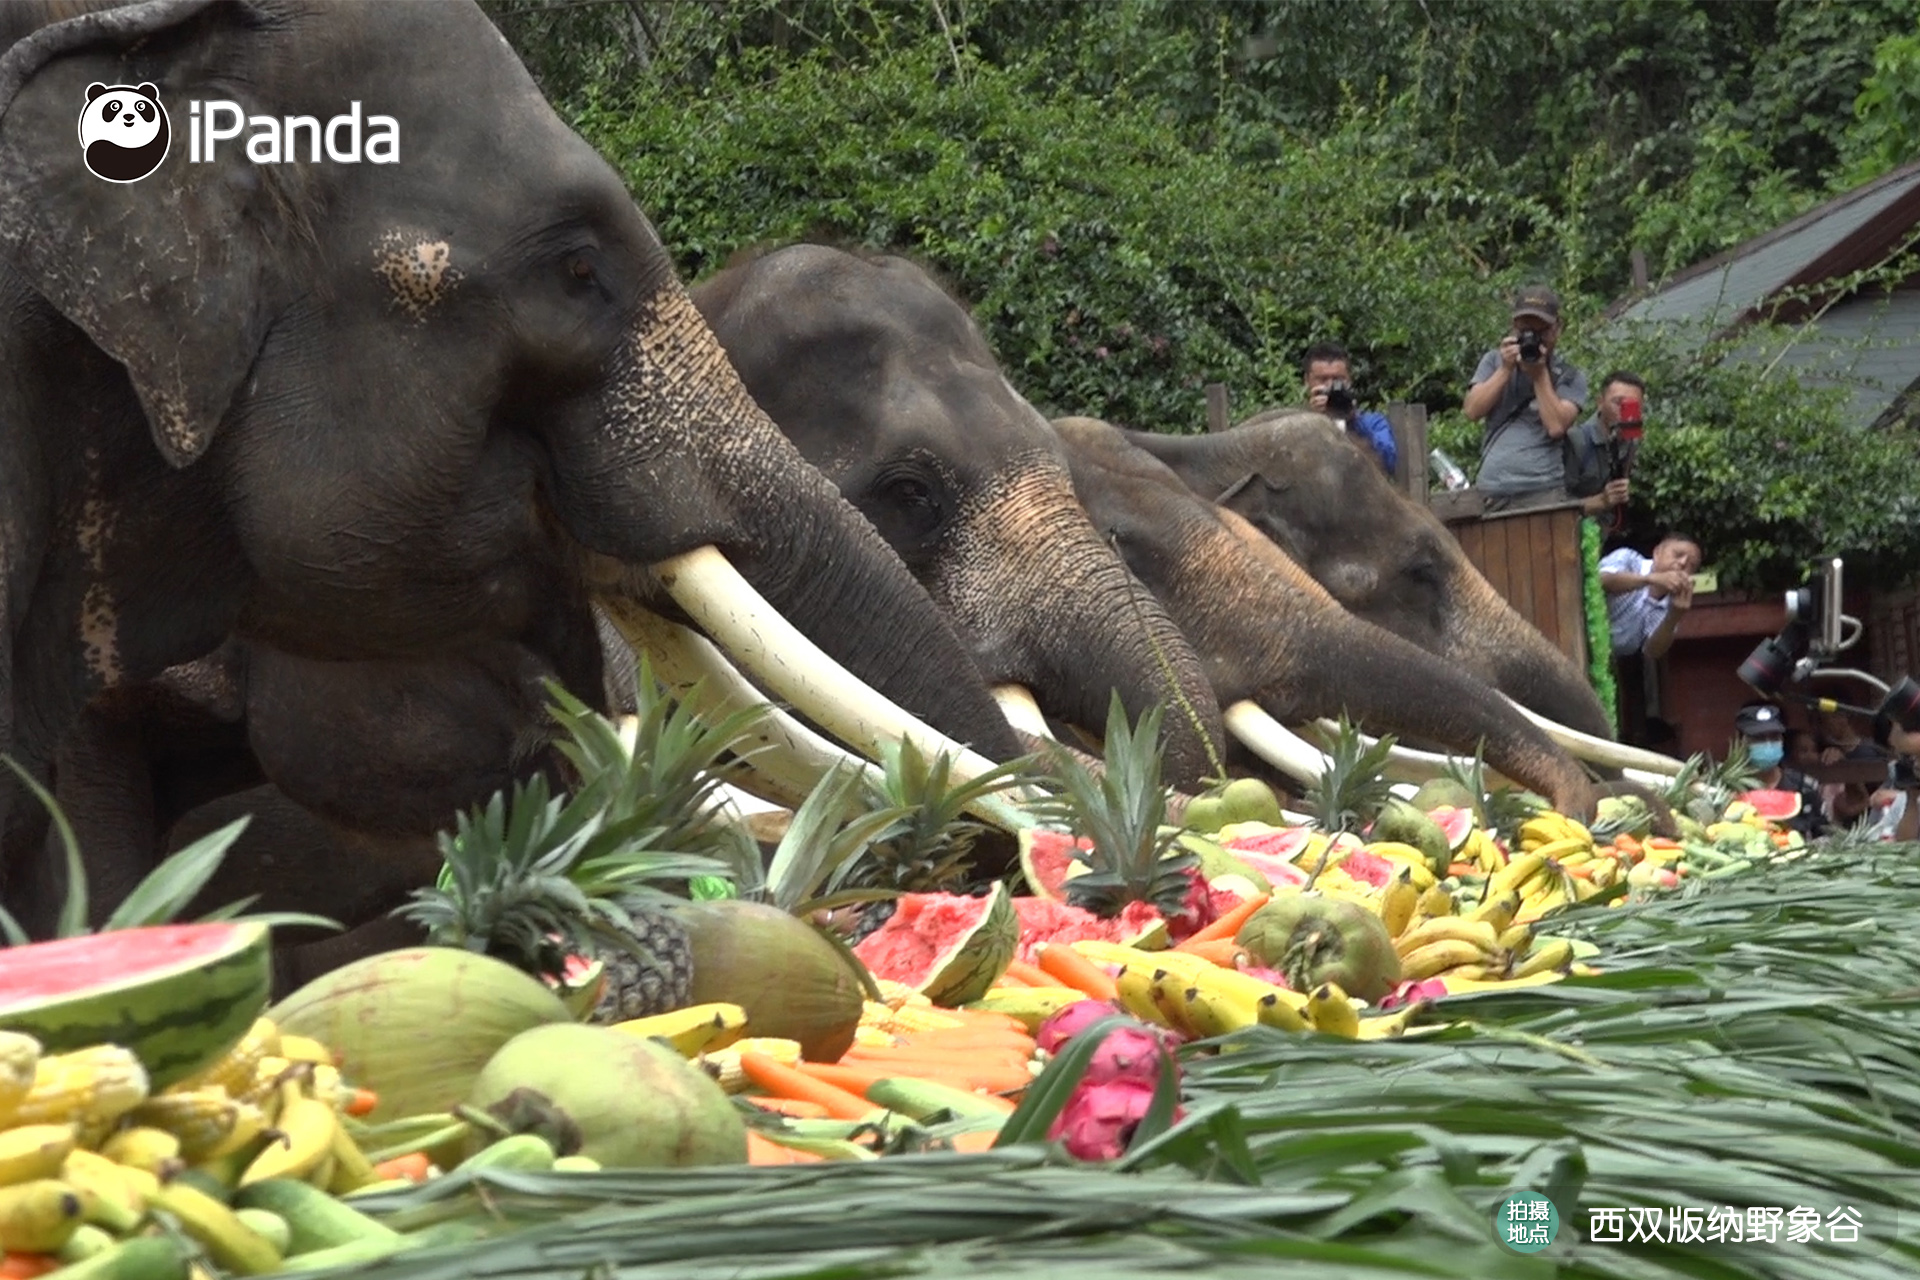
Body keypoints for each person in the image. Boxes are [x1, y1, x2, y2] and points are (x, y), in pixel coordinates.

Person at [1463, 285, 1589, 512]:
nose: (1532, 338)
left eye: (1540, 331)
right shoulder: (1494, 361)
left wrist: (1539, 376)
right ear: (1514, 328)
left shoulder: (1570, 375)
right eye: (1526, 330)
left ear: (1557, 328)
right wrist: (1504, 370)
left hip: (1543, 490)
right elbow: (1472, 410)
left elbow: (1556, 427)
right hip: (1492, 490)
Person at [1598, 532, 1702, 661]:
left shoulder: (1672, 605)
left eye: (1691, 565)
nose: (1682, 563)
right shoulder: (1629, 559)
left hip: (1600, 660)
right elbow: (1601, 581)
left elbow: (1651, 651)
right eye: (1678, 555)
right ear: (1657, 553)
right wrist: (1650, 579)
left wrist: (1674, 616)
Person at [1733, 703, 1827, 839]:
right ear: (1740, 741)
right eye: (1758, 738)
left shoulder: (1806, 787)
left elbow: (1823, 834)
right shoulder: (1723, 789)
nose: (1768, 744)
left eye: (1774, 737)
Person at [1303, 341, 1396, 476]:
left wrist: (1353, 420)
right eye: (1322, 379)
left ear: (1349, 380)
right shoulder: (1293, 424)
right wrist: (1311, 420)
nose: (1331, 385)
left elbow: (1388, 462)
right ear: (1307, 381)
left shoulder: (1373, 423)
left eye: (1338, 379)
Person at [1565, 371, 1644, 518]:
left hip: (1609, 530)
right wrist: (1600, 501)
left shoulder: (1632, 441)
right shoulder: (1577, 440)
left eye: (1633, 405)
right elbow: (1556, 506)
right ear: (1600, 402)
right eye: (1618, 403)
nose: (1625, 411)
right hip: (1574, 533)